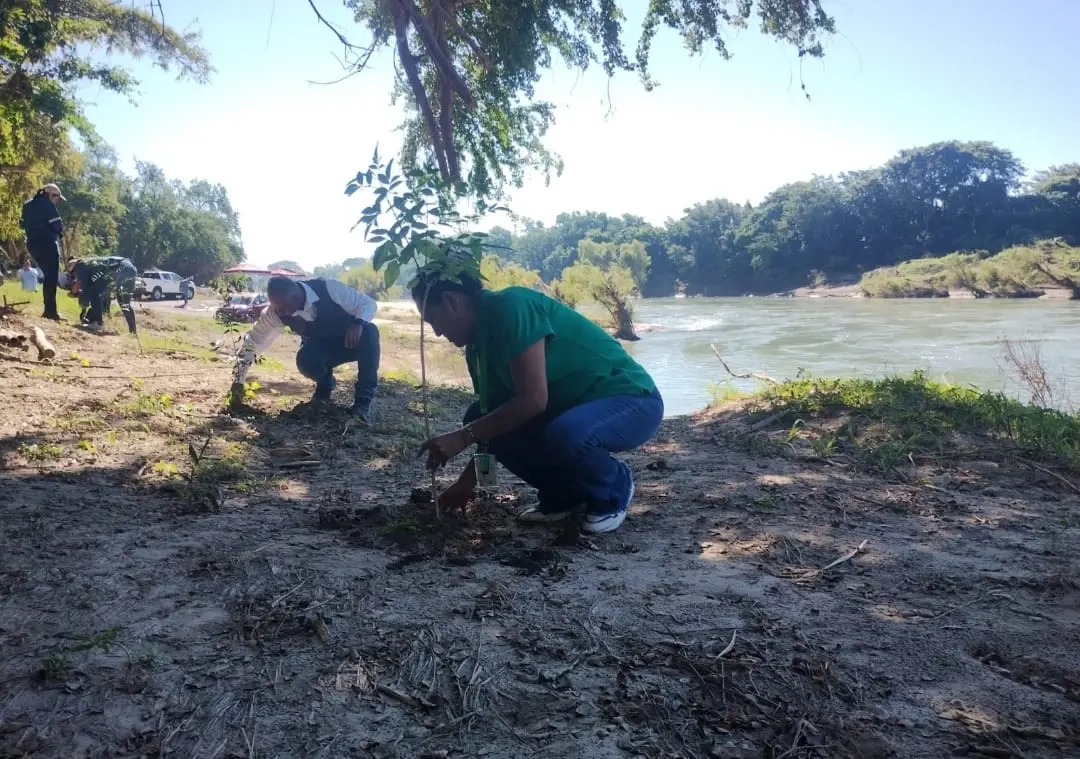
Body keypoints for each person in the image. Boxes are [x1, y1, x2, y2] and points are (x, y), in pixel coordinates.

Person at [416, 273, 664, 535]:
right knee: (477, 416)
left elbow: (533, 401)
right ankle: (564, 496)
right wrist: (467, 483)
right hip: (570, 410)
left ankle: (614, 488)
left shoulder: (512, 307)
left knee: (567, 434)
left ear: (451, 301)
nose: (438, 332)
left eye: (433, 320)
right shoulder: (477, 350)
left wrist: (463, 438)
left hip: (632, 400)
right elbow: (494, 424)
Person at [232, 275, 381, 420]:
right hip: (323, 349)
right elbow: (254, 340)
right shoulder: (276, 311)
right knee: (305, 360)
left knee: (370, 332)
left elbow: (368, 304)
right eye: (277, 308)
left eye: (283, 308)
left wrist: (358, 323)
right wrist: (238, 382)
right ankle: (324, 390)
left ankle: (362, 405)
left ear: (295, 297)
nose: (281, 313)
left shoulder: (329, 288)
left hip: (353, 342)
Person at [20, 183, 66, 321]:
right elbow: (58, 225)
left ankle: (49, 310)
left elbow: (22, 223)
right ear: (49, 194)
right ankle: (50, 312)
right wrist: (59, 232)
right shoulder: (47, 204)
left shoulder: (28, 204)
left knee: (47, 275)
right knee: (51, 277)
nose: (57, 200)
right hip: (47, 242)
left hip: (32, 244)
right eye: (56, 197)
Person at [66, 256, 139, 334]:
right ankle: (133, 332)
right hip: (130, 268)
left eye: (73, 275)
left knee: (94, 292)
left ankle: (98, 322)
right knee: (124, 302)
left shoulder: (80, 267)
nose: (75, 278)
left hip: (119, 269)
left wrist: (82, 311)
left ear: (73, 271)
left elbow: (86, 292)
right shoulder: (89, 263)